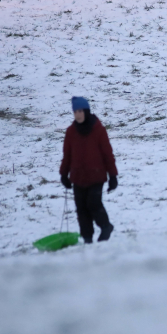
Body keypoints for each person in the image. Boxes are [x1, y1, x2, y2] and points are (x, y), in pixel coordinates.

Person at [60, 97, 117, 244]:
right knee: (81, 208)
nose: (77, 114)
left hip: (96, 175)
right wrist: (64, 174)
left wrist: (113, 175)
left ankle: (106, 226)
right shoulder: (71, 132)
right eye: (75, 112)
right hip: (78, 177)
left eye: (80, 111)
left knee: (93, 203)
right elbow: (67, 155)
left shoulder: (98, 130)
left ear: (86, 111)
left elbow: (107, 154)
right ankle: (87, 237)